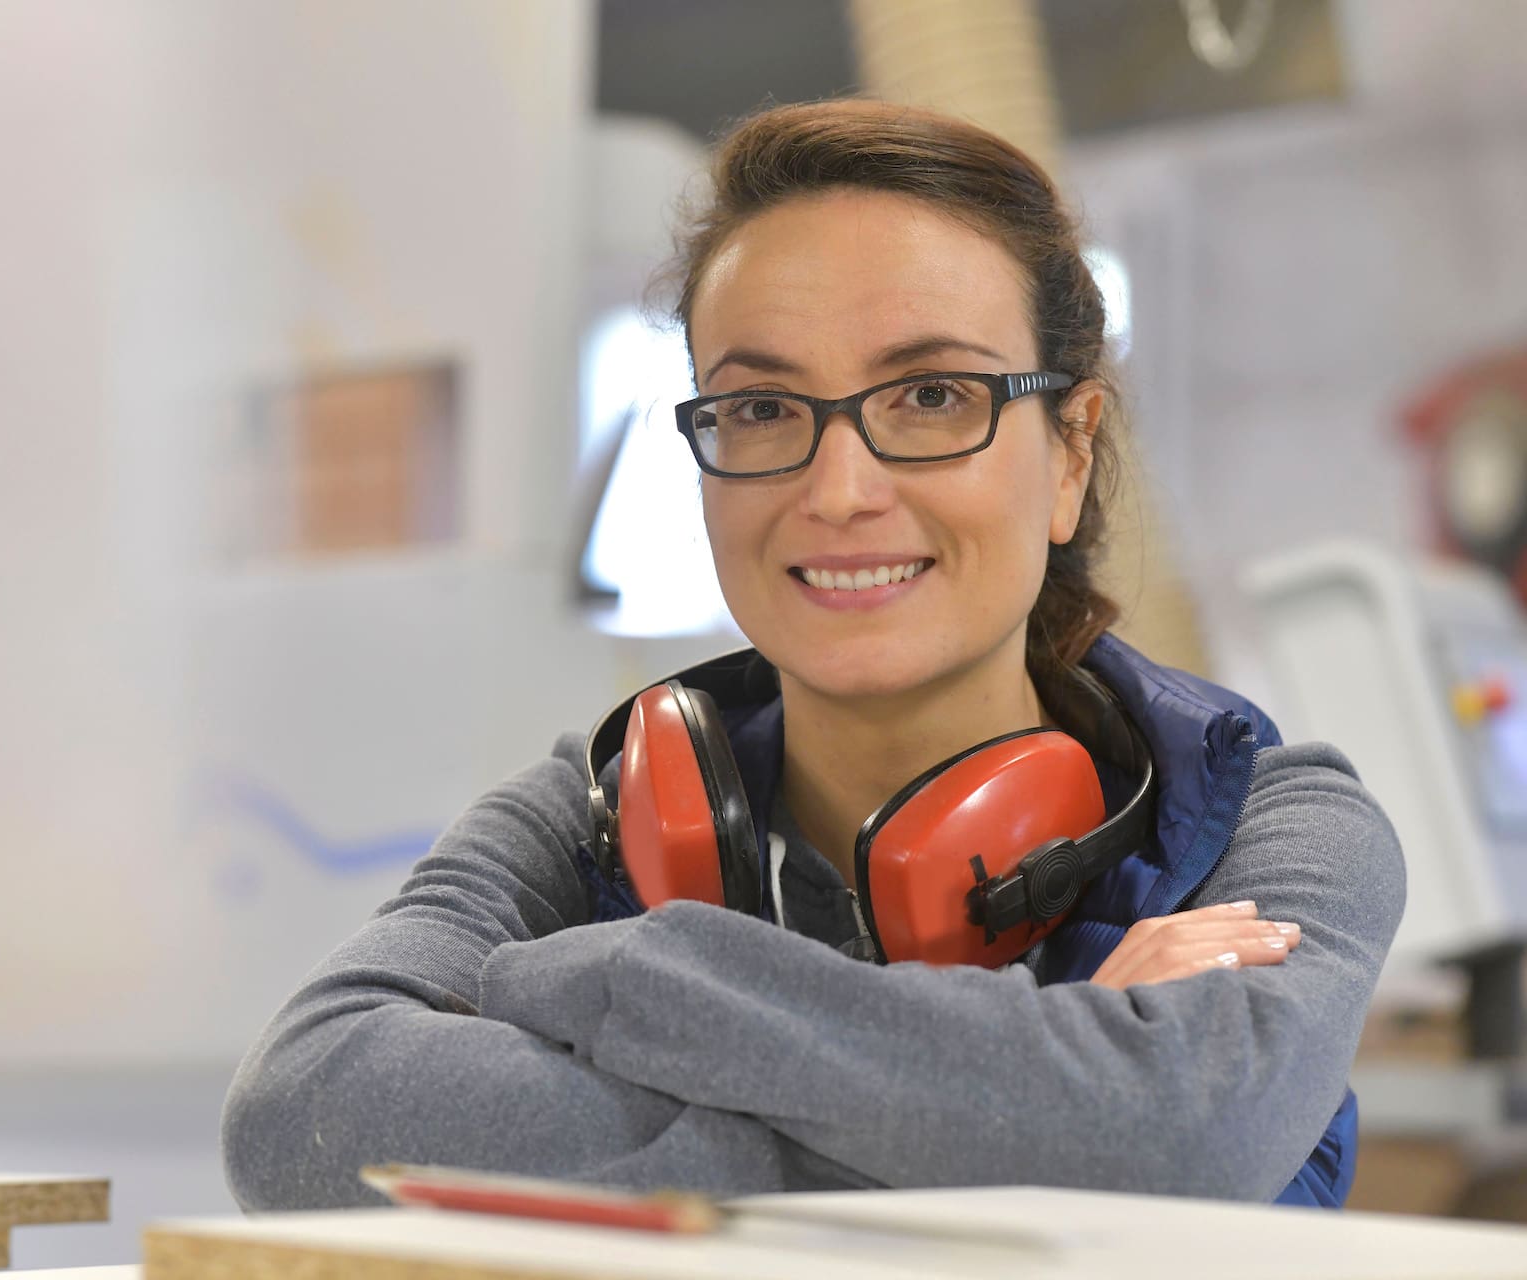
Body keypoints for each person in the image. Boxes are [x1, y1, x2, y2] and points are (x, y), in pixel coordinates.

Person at [222, 99, 1405, 1212]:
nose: (839, 491)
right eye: (761, 409)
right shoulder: (583, 815)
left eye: (933, 395)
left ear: (1072, 452)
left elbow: (1183, 1133)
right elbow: (301, 1115)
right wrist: (1045, 1109)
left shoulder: (1268, 823)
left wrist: (629, 977)